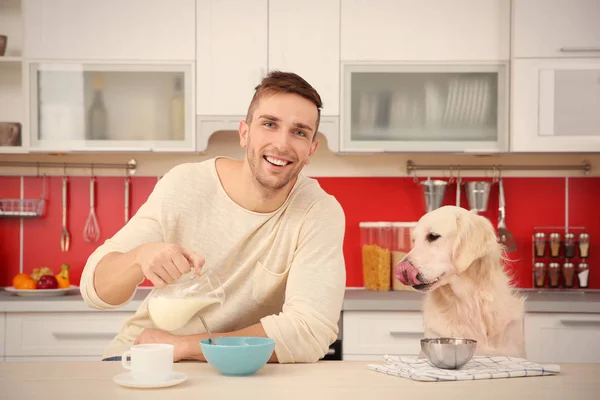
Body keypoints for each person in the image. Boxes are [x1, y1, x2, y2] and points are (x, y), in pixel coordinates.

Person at [80, 71, 347, 364]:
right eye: (269, 124)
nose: (282, 144)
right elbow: (96, 291)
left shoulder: (318, 212)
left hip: (244, 368)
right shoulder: (185, 184)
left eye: (299, 132)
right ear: (244, 133)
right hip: (148, 358)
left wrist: (184, 347)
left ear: (311, 150)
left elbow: (310, 331)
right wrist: (139, 257)